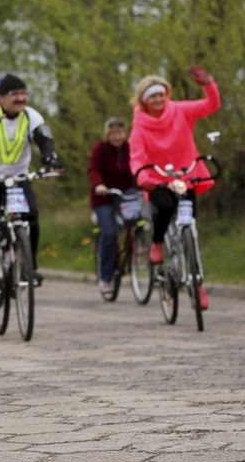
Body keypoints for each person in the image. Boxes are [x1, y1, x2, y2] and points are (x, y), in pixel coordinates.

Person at [0, 73, 64, 307]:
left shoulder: (31, 116)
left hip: (17, 181)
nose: (21, 98)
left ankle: (30, 266)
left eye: (23, 93)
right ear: (0, 98)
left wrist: (52, 159)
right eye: (14, 95)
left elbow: (44, 140)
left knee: (32, 216)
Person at [129, 64, 221, 309]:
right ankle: (158, 244)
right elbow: (136, 154)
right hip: (157, 178)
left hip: (186, 174)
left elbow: (211, 105)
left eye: (161, 94)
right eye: (152, 96)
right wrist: (141, 175)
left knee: (190, 226)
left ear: (166, 94)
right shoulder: (140, 124)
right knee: (166, 207)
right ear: (144, 100)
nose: (158, 99)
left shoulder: (179, 110)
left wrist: (208, 83)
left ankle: (197, 282)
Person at [87, 118, 135, 294]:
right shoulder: (100, 149)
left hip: (126, 192)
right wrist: (99, 185)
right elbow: (94, 170)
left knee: (137, 221)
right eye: (112, 133)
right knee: (109, 232)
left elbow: (138, 165)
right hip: (104, 196)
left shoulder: (130, 147)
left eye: (120, 133)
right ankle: (105, 277)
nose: (117, 137)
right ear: (107, 135)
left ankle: (137, 256)